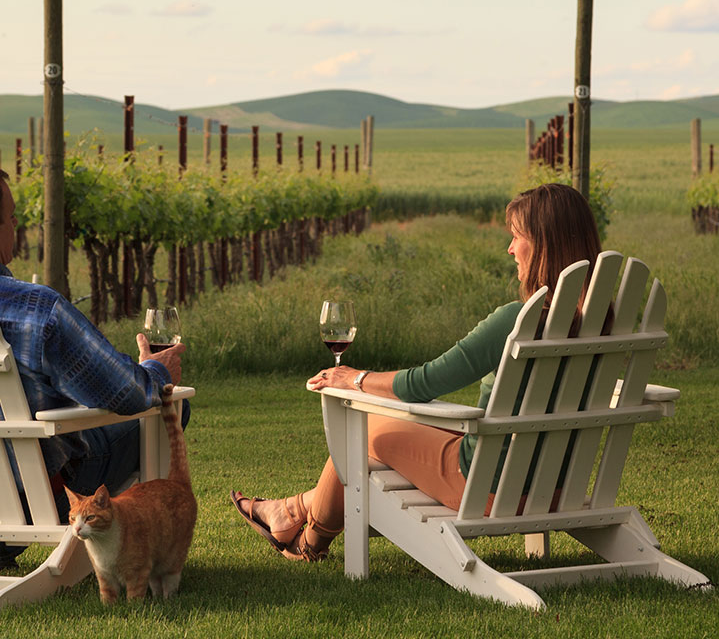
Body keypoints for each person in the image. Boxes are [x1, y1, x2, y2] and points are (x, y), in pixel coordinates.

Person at [231, 182, 600, 562]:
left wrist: (355, 380)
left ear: (545, 244)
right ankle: (291, 513)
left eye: (517, 236)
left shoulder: (517, 320)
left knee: (363, 428)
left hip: (490, 487)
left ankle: (307, 539)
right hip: (558, 487)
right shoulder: (600, 322)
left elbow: (427, 382)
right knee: (383, 434)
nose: (509, 248)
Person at [0, 161, 187, 574]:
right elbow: (127, 392)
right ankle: (146, 561)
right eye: (13, 220)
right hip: (37, 493)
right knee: (168, 410)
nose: (17, 228)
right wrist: (155, 371)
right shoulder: (35, 309)